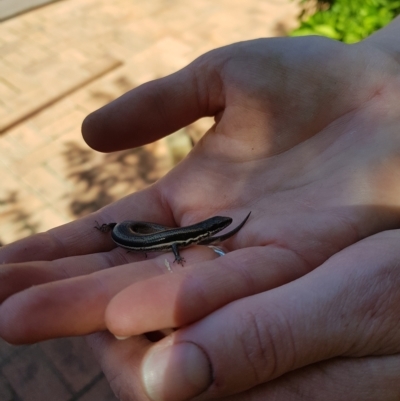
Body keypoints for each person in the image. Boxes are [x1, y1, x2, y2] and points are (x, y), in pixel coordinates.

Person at [1, 16, 400, 401]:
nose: (219, 227)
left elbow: (187, 240)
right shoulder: (181, 237)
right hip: (130, 235)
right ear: (204, 233)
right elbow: (178, 244)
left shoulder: (187, 234)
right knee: (123, 241)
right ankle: (113, 233)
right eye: (215, 227)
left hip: (139, 231)